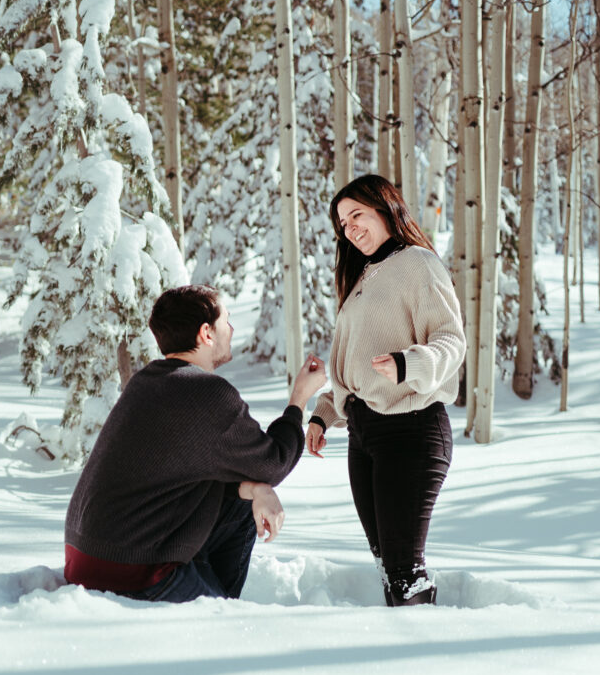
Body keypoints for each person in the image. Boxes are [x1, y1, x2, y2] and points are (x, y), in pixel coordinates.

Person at [65, 284, 326, 603]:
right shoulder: (208, 394)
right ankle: (217, 615)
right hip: (132, 571)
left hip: (86, 559)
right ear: (206, 333)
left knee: (238, 498)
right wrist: (299, 398)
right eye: (226, 321)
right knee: (231, 618)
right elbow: (273, 462)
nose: (231, 329)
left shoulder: (146, 382)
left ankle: (209, 594)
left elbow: (196, 475)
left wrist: (257, 489)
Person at [306, 175, 465, 607]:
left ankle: (421, 656)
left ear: (386, 208)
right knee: (386, 563)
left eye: (357, 214)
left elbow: (451, 340)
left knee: (402, 569)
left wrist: (407, 364)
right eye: (342, 222)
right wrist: (324, 413)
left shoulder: (417, 263)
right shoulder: (364, 279)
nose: (349, 228)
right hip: (365, 436)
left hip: (411, 432)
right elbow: (354, 364)